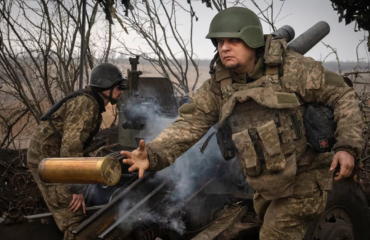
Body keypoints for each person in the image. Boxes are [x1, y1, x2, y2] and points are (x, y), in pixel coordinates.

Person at [121, 7, 363, 240]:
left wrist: (347, 147)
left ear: (253, 41)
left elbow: (342, 95)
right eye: (219, 42)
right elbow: (187, 126)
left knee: (274, 234)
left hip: (306, 176)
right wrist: (151, 154)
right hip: (267, 183)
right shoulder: (219, 86)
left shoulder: (292, 69)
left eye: (233, 41)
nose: (224, 48)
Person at [27, 63, 126, 240]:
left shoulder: (91, 102)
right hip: (48, 162)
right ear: (106, 86)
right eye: (119, 87)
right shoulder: (86, 104)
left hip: (55, 158)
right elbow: (70, 148)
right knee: (74, 221)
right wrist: (76, 189)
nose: (121, 92)